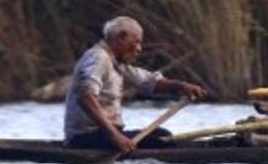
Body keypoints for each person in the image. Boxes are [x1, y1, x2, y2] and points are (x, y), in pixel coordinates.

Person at [63, 16, 206, 153]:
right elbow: (85, 97)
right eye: (136, 42)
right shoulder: (98, 58)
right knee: (159, 141)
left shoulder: (117, 63)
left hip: (104, 135)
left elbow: (150, 82)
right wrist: (115, 137)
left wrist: (182, 87)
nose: (139, 49)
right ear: (120, 37)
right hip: (84, 138)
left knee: (162, 135)